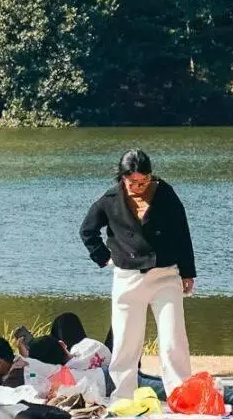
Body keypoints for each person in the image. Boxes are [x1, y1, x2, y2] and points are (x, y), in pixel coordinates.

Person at [79, 147, 195, 402]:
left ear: (151, 177)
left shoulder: (165, 194)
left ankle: (181, 395)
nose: (138, 187)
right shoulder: (110, 199)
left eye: (143, 181)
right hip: (127, 277)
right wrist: (104, 257)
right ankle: (123, 397)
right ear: (122, 178)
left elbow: (182, 233)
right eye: (132, 182)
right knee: (125, 343)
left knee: (173, 339)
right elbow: (87, 231)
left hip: (165, 274)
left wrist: (188, 272)